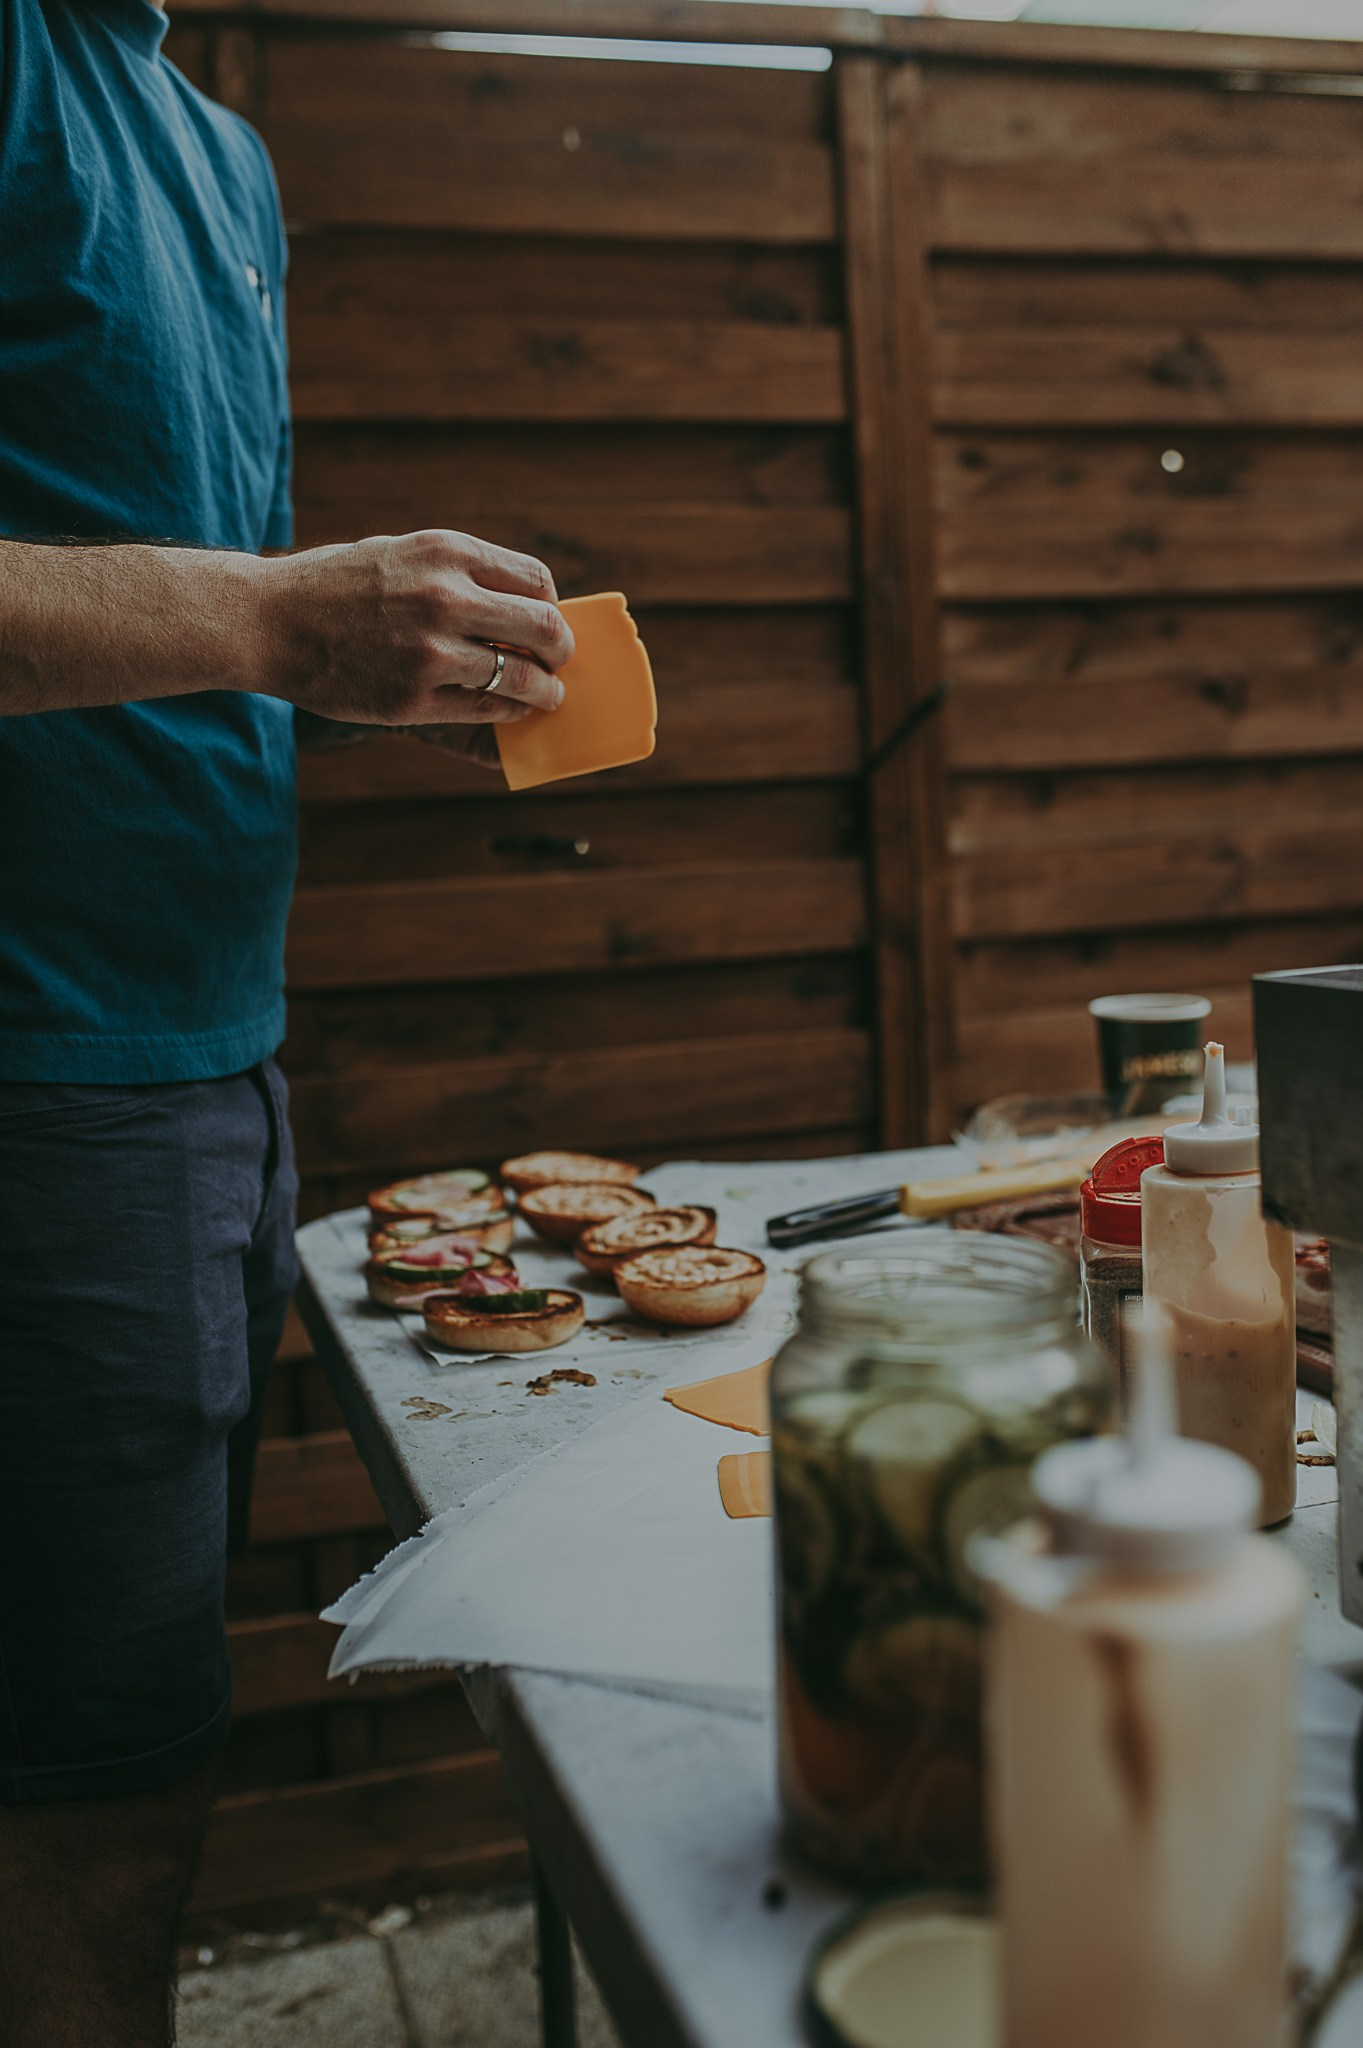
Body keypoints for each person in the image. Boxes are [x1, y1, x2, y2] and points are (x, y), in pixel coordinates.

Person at [0, 2, 572, 2041]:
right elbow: (236, 600)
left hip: (213, 1057)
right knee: (76, 1796)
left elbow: (178, 576)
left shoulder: (219, 148)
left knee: (132, 1757)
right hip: (35, 1075)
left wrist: (350, 654)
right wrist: (270, 618)